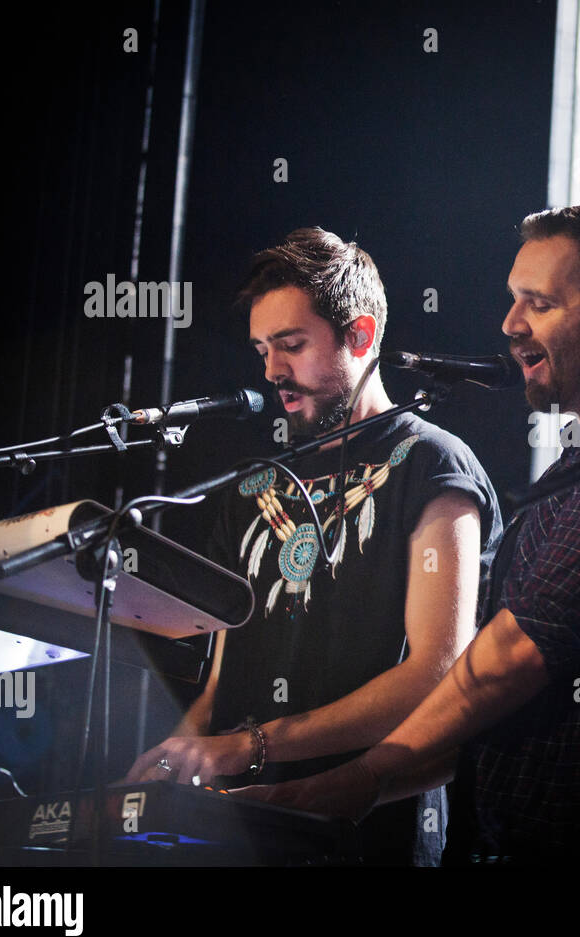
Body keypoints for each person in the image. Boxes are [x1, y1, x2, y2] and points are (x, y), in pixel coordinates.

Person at [249, 203, 580, 866]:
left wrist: (356, 780)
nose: (509, 324)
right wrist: (356, 791)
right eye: (513, 299)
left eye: (537, 303)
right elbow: (491, 702)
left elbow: (518, 653)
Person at [126, 228, 503, 865]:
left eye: (291, 345)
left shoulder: (434, 466)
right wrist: (166, 764)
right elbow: (224, 681)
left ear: (360, 335)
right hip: (240, 827)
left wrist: (252, 746)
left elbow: (435, 674)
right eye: (262, 349)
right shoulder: (253, 488)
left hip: (365, 834)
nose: (272, 370)